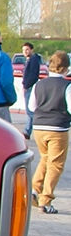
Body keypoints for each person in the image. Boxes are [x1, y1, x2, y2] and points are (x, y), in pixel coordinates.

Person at [27, 50, 71, 214]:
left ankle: (34, 189)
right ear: (66, 68)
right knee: (56, 164)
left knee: (45, 159)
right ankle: (46, 200)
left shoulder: (39, 84)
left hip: (39, 128)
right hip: (58, 128)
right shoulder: (67, 86)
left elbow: (32, 107)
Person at [22, 42, 43, 137]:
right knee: (29, 111)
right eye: (23, 50)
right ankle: (27, 131)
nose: (25, 52)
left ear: (31, 50)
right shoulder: (29, 60)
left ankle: (40, 127)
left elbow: (33, 76)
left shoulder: (33, 60)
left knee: (30, 111)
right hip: (28, 87)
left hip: (30, 87)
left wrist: (26, 86)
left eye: (27, 49)